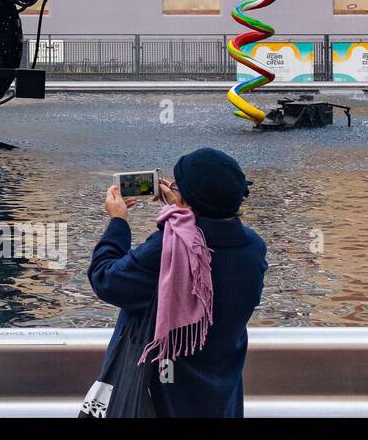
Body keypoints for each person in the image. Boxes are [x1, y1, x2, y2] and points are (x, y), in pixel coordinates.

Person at [88, 148, 268, 417]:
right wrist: (180, 212)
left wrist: (118, 222)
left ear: (186, 199)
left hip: (161, 399)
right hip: (220, 397)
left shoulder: (167, 249)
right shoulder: (253, 247)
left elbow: (105, 278)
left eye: (176, 184)